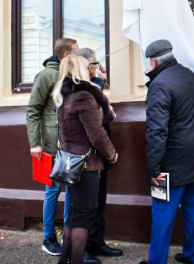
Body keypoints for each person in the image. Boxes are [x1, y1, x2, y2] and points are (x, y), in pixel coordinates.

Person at [139, 40, 194, 264]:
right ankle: (192, 257)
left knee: (162, 216)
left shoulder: (159, 85)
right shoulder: (189, 75)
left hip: (171, 166)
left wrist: (154, 167)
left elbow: (157, 131)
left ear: (153, 61)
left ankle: (157, 261)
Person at [52, 55, 119, 264]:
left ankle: (64, 261)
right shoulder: (83, 97)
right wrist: (112, 155)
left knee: (74, 217)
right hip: (86, 165)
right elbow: (96, 134)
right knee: (83, 219)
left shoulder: (65, 96)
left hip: (70, 163)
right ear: (81, 70)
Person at [26, 38, 77, 256]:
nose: (80, 55)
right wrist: (35, 143)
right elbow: (33, 110)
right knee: (53, 190)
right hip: (50, 144)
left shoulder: (72, 75)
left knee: (72, 190)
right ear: (66, 55)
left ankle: (69, 235)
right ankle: (48, 237)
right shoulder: (46, 75)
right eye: (76, 52)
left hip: (71, 144)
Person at [73, 48, 123, 258]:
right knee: (84, 206)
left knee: (98, 201)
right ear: (86, 66)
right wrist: (108, 112)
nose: (96, 67)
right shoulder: (77, 89)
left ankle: (95, 242)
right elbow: (94, 124)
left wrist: (102, 81)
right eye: (93, 64)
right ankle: (80, 250)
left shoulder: (90, 86)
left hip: (97, 153)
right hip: (86, 154)